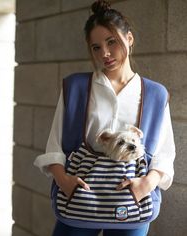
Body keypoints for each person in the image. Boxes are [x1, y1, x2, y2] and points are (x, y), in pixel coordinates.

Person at [34, 0, 175, 235]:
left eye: (112, 42)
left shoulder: (155, 94)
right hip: (81, 198)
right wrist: (65, 182)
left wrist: (145, 185)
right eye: (96, 47)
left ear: (129, 39)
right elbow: (55, 144)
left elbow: (164, 153)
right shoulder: (76, 87)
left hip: (131, 201)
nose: (105, 54)